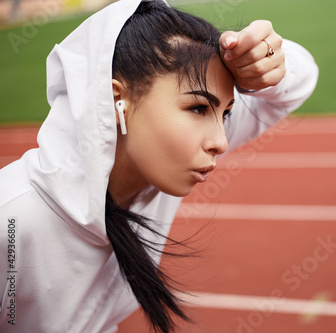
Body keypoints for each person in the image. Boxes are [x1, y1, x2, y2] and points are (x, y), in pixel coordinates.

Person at [0, 0, 318, 331]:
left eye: (225, 113)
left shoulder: (161, 158)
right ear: (116, 101)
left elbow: (300, 78)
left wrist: (261, 68)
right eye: (198, 109)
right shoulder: (11, 219)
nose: (221, 142)